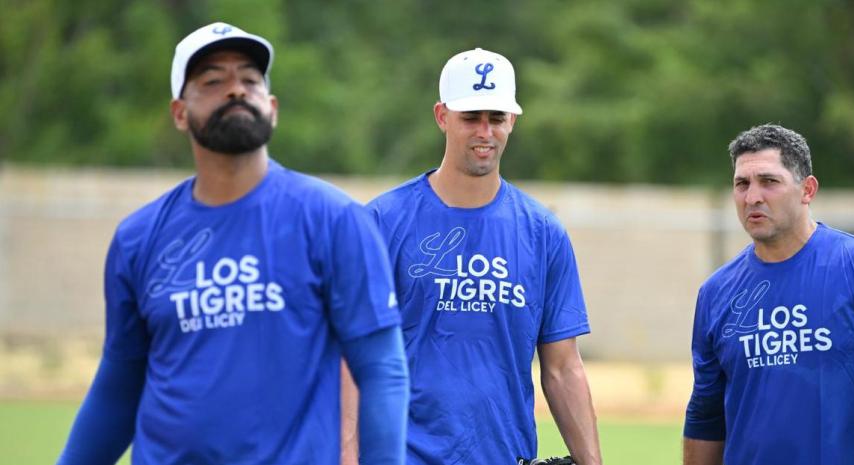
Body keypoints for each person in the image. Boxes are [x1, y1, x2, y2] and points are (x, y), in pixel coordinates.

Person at [57, 22, 409, 465]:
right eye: (212, 81)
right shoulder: (138, 238)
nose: (236, 90)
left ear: (272, 108)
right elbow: (119, 386)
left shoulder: (333, 220)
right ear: (179, 112)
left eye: (250, 79)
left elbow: (381, 368)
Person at [346, 47, 603, 465]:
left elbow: (562, 368)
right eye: (471, 117)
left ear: (512, 121)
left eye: (496, 118)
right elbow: (349, 358)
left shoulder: (542, 233)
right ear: (442, 116)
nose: (485, 131)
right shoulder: (381, 222)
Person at [683, 124, 854, 465]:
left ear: (807, 189)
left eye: (769, 181)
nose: (752, 197)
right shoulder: (716, 292)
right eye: (742, 184)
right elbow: (706, 411)